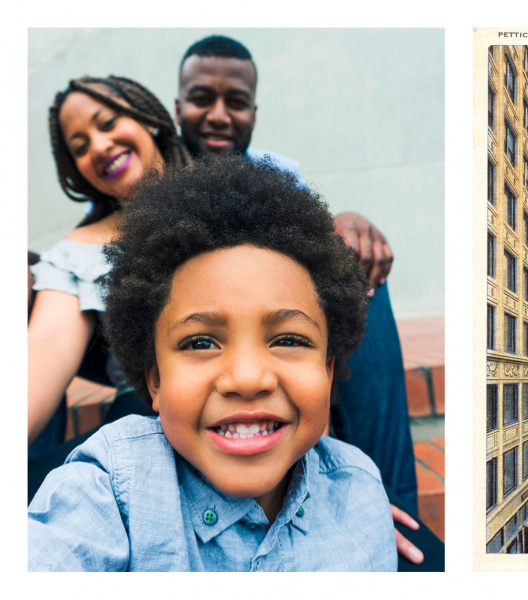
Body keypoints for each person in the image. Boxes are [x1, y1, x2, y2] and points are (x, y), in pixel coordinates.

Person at [29, 155, 396, 571]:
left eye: (289, 339)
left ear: (328, 372)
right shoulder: (111, 488)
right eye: (201, 342)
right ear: (155, 381)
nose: (246, 378)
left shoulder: (359, 493)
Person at [173, 36, 420, 524]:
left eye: (236, 102)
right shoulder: (153, 171)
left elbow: (315, 244)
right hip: (191, 343)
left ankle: (395, 513)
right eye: (203, 99)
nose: (220, 115)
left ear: (254, 113)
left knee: (356, 270)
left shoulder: (277, 173)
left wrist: (347, 221)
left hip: (273, 332)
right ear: (179, 106)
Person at [29, 76, 192, 453]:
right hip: (141, 440)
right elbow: (44, 350)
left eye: (107, 123)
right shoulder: (75, 255)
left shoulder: (238, 195)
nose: (100, 146)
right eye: (80, 147)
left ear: (146, 118)